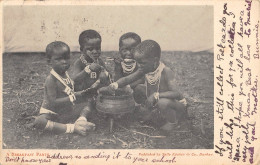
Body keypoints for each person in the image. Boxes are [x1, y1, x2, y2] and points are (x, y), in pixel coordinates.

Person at [99, 40, 187, 132]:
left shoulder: (166, 71)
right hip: (156, 99)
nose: (139, 65)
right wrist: (114, 85)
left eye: (142, 63)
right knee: (138, 89)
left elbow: (176, 93)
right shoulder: (144, 69)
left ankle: (172, 121)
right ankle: (151, 113)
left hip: (175, 106)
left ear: (155, 60)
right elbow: (127, 79)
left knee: (163, 102)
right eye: (138, 62)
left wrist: (156, 95)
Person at [33, 41, 95, 136]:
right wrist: (73, 96)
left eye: (66, 58)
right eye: (58, 59)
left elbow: (72, 86)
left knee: (89, 103)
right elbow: (52, 102)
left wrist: (84, 92)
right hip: (52, 113)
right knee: (40, 121)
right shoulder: (51, 80)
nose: (64, 62)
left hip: (65, 111)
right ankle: (72, 128)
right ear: (49, 62)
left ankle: (81, 121)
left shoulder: (65, 74)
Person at [72, 30, 110, 119]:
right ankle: (83, 116)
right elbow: (75, 79)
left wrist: (105, 74)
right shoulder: (79, 62)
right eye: (90, 49)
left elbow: (108, 75)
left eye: (98, 48)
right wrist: (87, 70)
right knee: (87, 105)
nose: (95, 51)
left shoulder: (99, 61)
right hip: (84, 93)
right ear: (82, 50)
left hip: (96, 92)